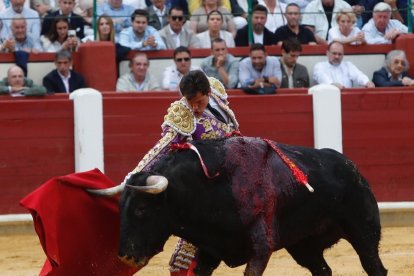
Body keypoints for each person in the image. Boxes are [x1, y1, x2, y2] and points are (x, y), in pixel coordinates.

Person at [127, 70, 239, 275]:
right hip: (204, 190)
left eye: (199, 102)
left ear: (208, 92)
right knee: (183, 258)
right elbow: (161, 148)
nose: (194, 108)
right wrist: (134, 177)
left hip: (231, 180)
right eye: (190, 102)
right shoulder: (182, 113)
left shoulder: (217, 90)